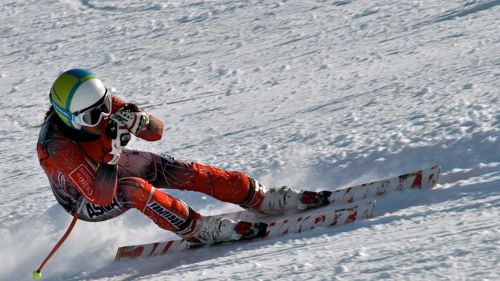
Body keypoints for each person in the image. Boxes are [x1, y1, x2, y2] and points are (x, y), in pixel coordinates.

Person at [37, 69, 330, 244]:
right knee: (134, 190)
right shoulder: (58, 146)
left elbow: (156, 132)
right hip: (84, 197)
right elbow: (100, 195)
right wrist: (113, 153)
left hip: (106, 160)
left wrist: (141, 121)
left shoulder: (99, 104)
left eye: (105, 105)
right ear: (69, 118)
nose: (103, 116)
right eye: (93, 115)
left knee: (166, 167)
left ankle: (257, 197)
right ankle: (196, 229)